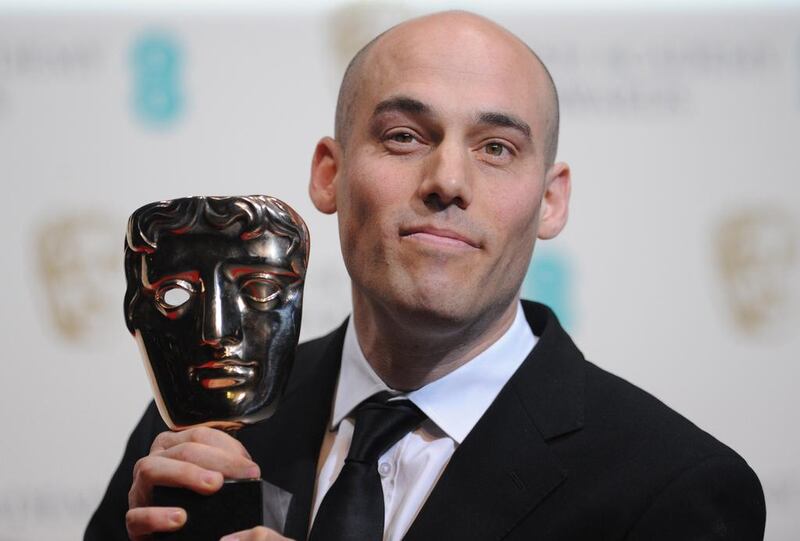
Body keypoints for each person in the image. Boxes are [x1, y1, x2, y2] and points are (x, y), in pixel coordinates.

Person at [85, 10, 766, 541]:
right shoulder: (203, 420)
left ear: (550, 200)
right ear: (330, 172)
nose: (447, 181)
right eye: (405, 135)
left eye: (497, 148)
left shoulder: (673, 485)